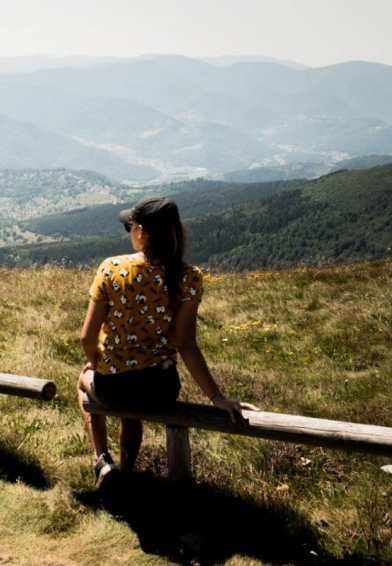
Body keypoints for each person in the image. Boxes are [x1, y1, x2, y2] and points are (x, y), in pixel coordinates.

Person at [77, 196, 258, 487]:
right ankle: (130, 469)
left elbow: (87, 337)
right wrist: (217, 398)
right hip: (161, 389)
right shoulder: (189, 277)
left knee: (83, 381)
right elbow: (185, 344)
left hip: (114, 386)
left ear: (141, 232)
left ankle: (102, 461)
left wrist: (95, 359)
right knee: (131, 412)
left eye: (130, 227)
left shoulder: (111, 268)